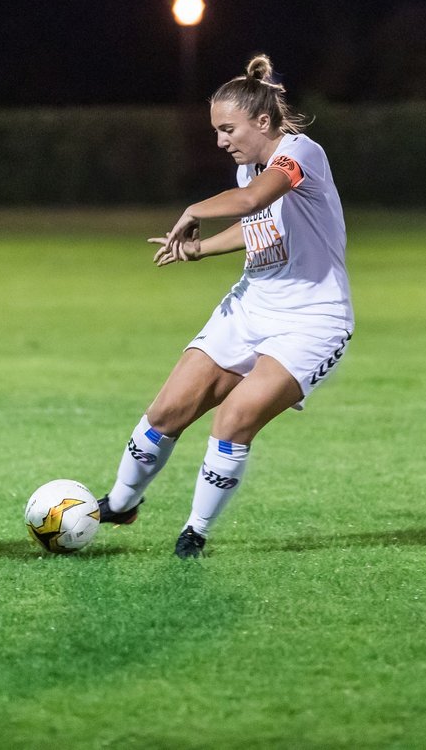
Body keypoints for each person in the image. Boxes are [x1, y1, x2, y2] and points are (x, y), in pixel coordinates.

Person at [97, 55, 354, 559]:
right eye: (216, 130)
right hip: (250, 305)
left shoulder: (301, 154)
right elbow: (257, 224)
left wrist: (193, 210)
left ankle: (194, 533)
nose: (221, 141)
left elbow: (255, 200)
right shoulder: (249, 171)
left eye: (227, 129)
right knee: (166, 411)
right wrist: (199, 248)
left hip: (312, 321)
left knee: (234, 418)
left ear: (262, 121)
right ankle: (120, 503)